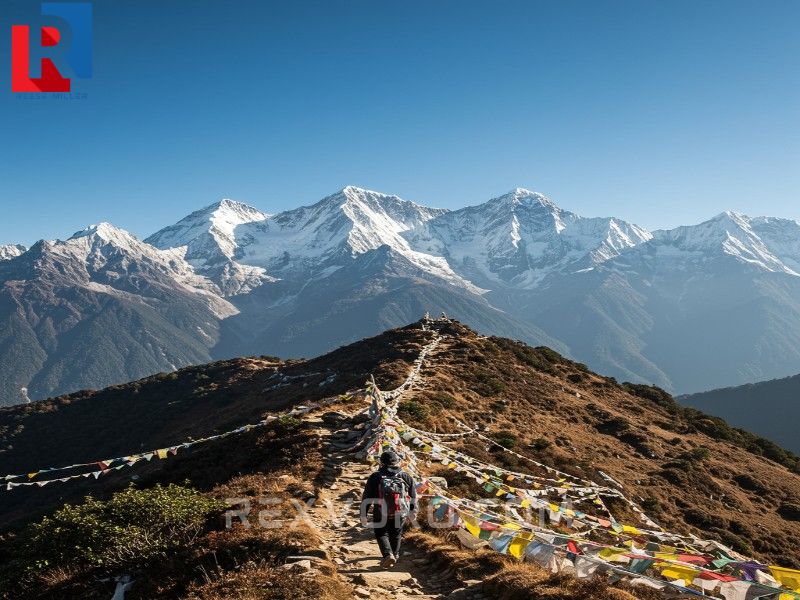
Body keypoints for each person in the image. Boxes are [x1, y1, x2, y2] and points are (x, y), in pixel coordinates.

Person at [361, 450, 417, 568]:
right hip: (401, 511)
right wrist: (413, 511)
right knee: (396, 533)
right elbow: (413, 496)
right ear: (397, 462)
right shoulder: (405, 476)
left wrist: (363, 514)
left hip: (381, 511)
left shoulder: (376, 476)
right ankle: (395, 554)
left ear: (381, 462)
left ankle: (387, 555)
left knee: (381, 533)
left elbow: (367, 497)